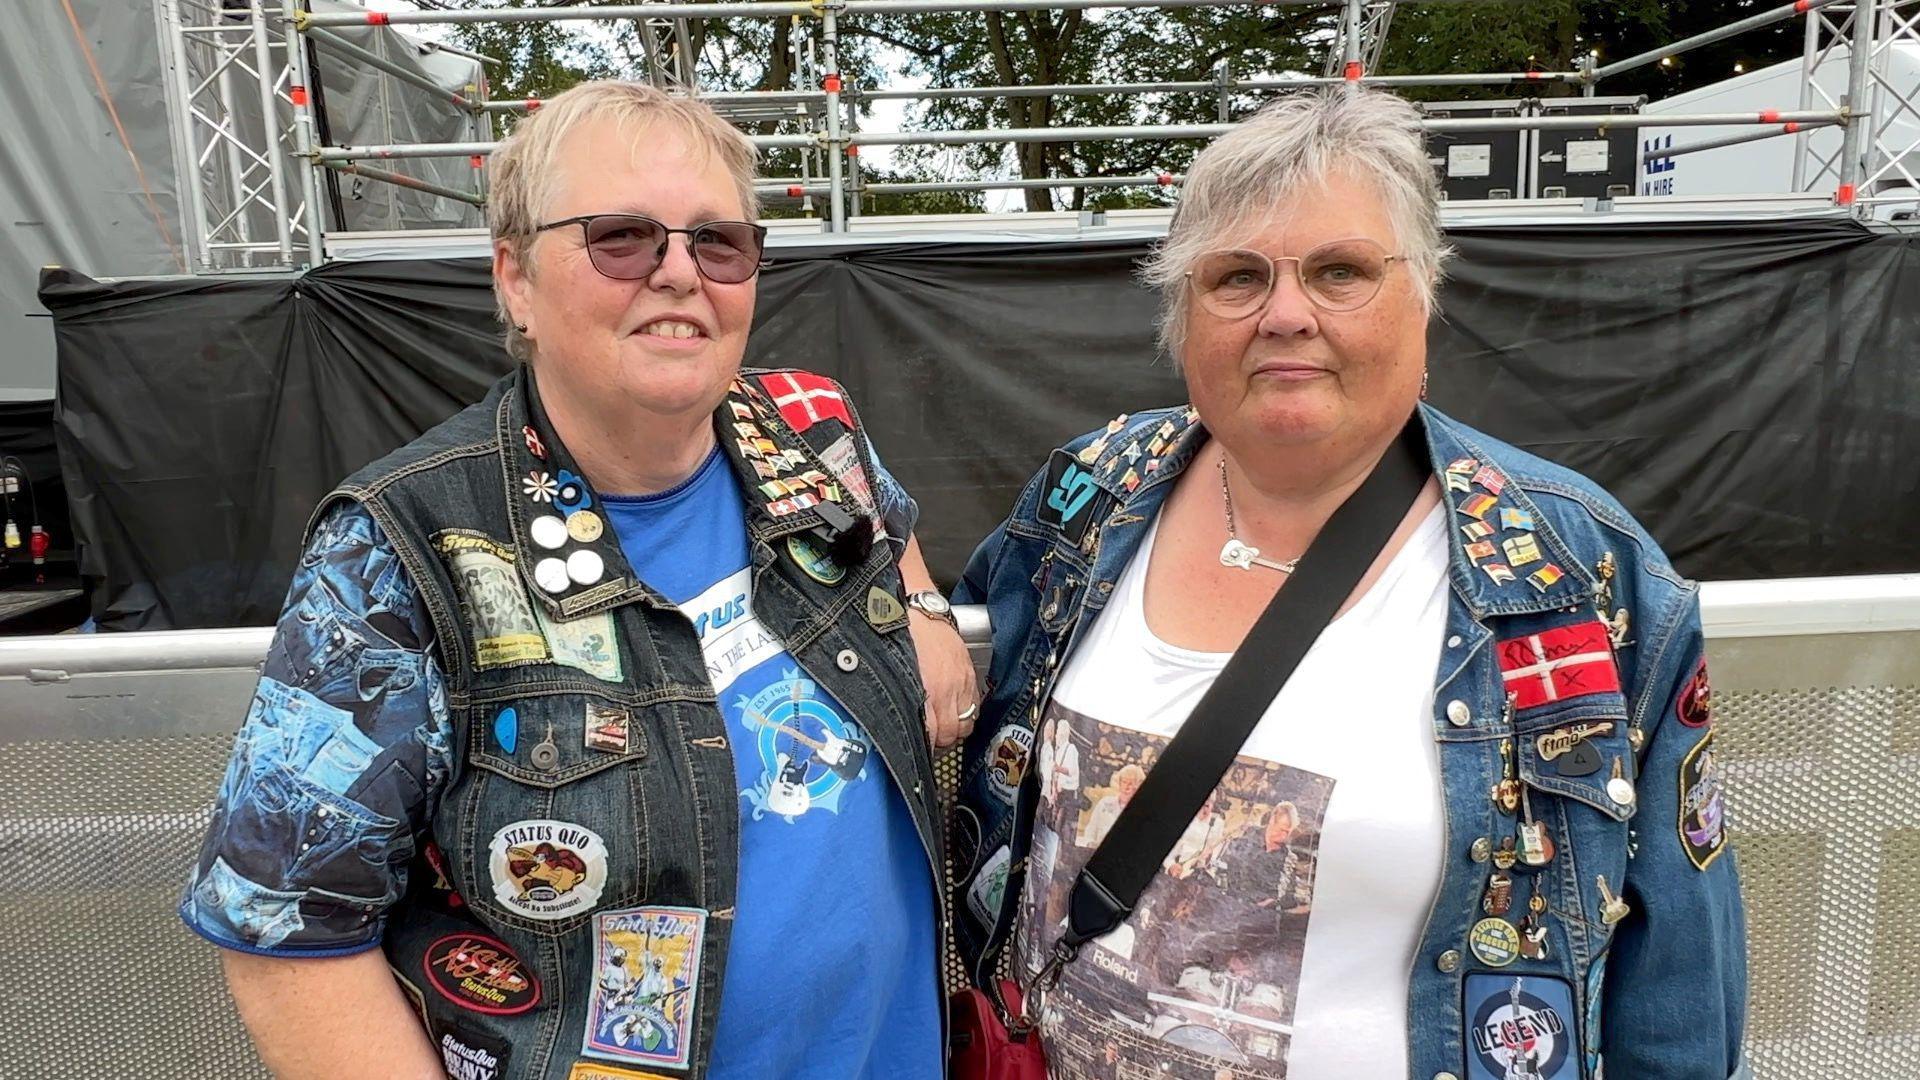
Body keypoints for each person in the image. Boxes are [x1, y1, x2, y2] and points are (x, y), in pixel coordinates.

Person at [178, 81, 975, 1080]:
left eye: (718, 242)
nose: (680, 273)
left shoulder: (806, 431)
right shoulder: (399, 548)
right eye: (623, 238)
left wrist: (930, 607)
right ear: (515, 278)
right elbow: (286, 931)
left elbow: (887, 522)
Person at [951, 88, 1746, 1080]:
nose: (1286, 314)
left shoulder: (1576, 571)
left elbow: (1677, 981)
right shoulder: (1093, 496)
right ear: (1180, 313)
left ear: (1424, 296)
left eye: (1340, 272)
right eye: (1237, 277)